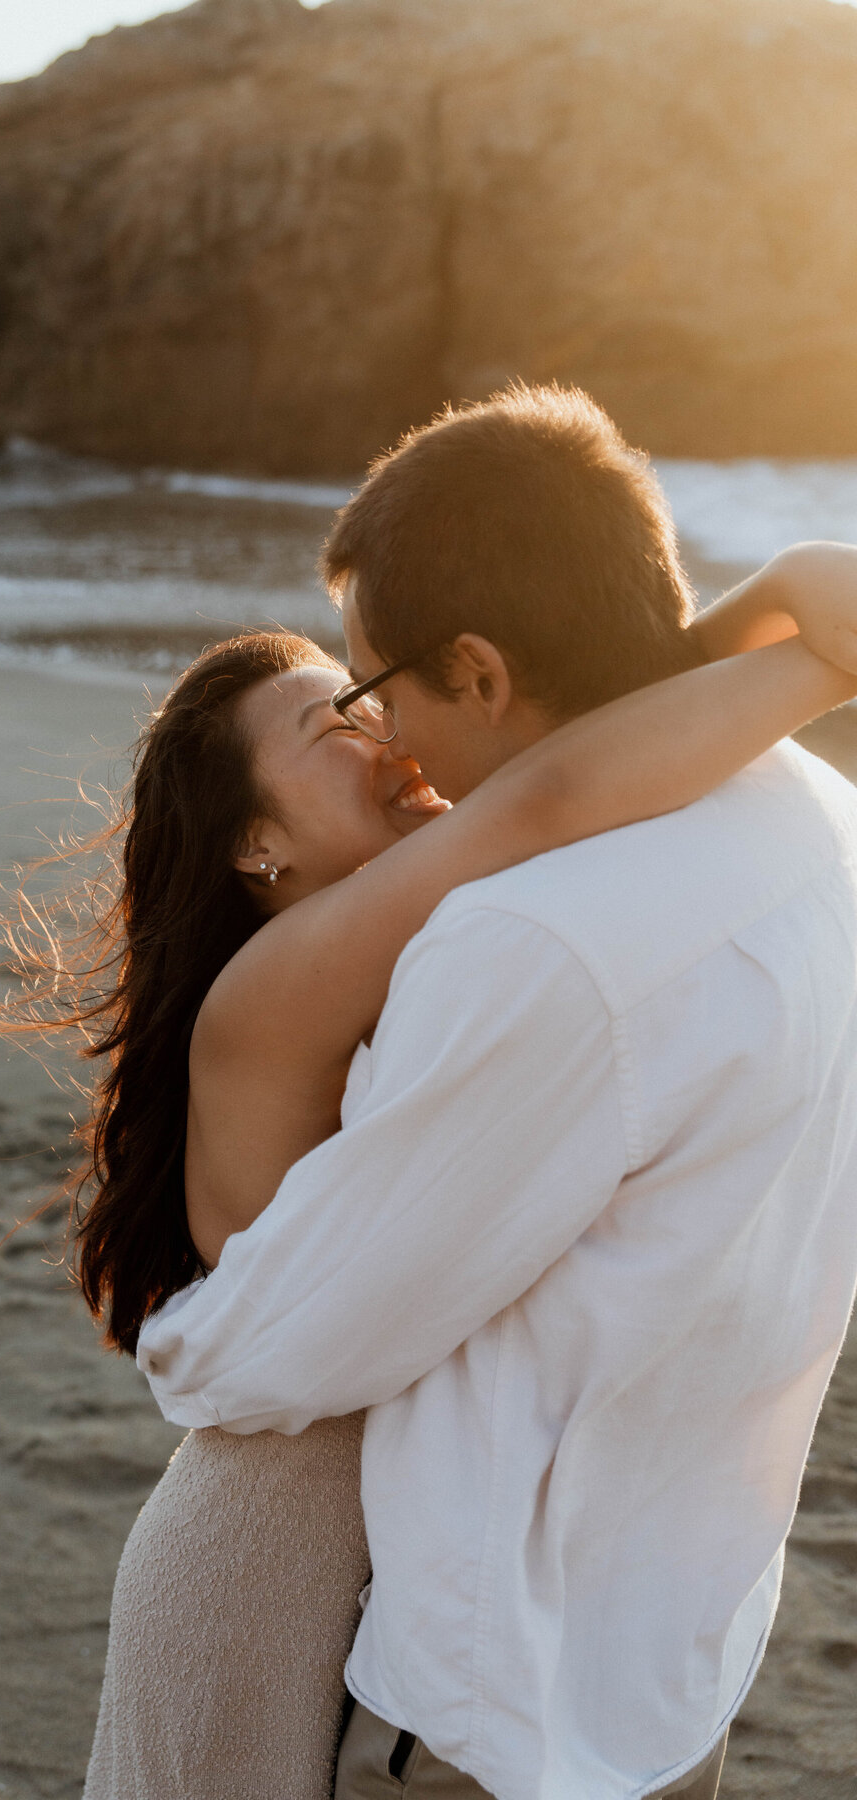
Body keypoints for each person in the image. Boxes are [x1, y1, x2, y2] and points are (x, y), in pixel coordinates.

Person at [133, 388, 857, 1800]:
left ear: (474, 667)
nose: (387, 737)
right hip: (437, 1585)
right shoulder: (809, 827)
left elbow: (567, 780)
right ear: (259, 845)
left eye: (372, 690)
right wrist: (798, 645)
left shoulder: (515, 938)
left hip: (505, 1659)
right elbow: (553, 785)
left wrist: (785, 615)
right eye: (339, 722)